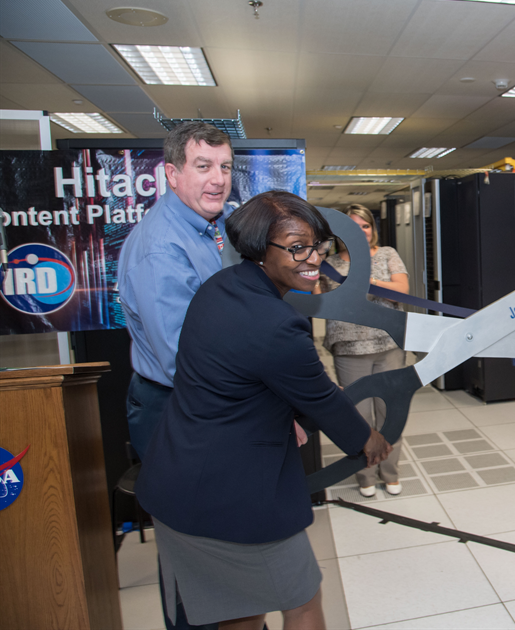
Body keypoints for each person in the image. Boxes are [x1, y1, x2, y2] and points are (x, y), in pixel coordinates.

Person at [137, 191, 392, 630]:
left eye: (317, 245)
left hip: (180, 481)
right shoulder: (275, 324)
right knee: (303, 602)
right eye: (296, 247)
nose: (313, 258)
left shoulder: (221, 288)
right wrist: (368, 439)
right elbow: (319, 396)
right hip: (228, 498)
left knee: (240, 610)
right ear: (258, 250)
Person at [118, 121, 235, 459]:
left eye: (224, 166)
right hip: (178, 406)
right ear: (172, 173)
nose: (218, 179)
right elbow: (185, 358)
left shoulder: (223, 224)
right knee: (191, 510)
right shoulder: (161, 249)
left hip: (217, 393)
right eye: (203, 166)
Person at [320, 203, 409, 497]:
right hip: (349, 349)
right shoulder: (329, 263)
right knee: (358, 418)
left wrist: (365, 281)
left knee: (391, 414)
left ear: (373, 229)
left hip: (389, 345)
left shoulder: (386, 254)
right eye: (353, 226)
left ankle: (390, 472)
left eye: (365, 225)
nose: (360, 232)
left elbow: (401, 289)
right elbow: (317, 302)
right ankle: (366, 475)